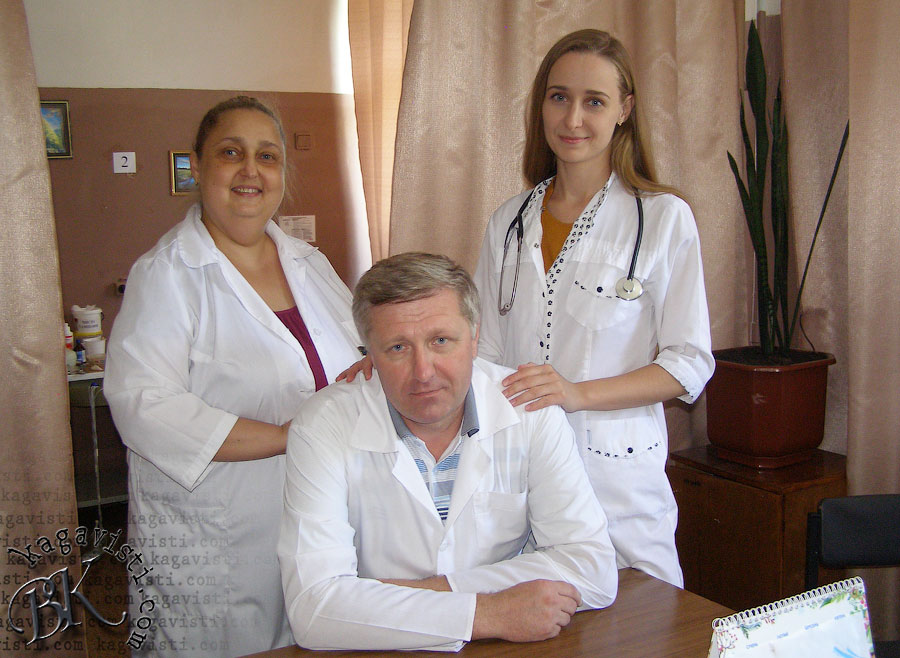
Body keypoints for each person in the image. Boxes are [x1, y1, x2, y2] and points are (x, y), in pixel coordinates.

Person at [104, 96, 361, 657]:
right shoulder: (167, 274)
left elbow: (356, 362)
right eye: (230, 152)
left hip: (316, 522)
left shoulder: (310, 264)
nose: (251, 170)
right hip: (215, 541)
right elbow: (145, 406)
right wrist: (291, 436)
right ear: (197, 166)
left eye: (267, 156)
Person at [278, 253, 617, 651]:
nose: (424, 372)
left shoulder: (529, 411)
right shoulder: (323, 423)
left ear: (474, 338)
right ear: (369, 353)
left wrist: (410, 596)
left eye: (440, 341)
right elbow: (313, 609)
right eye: (397, 347)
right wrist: (488, 611)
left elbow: (592, 568)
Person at [473, 29, 714, 588]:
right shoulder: (508, 222)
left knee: (644, 622)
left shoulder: (663, 218)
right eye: (559, 97)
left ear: (624, 110)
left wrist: (577, 394)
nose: (573, 118)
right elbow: (484, 352)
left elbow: (689, 363)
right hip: (523, 483)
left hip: (618, 486)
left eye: (594, 101)